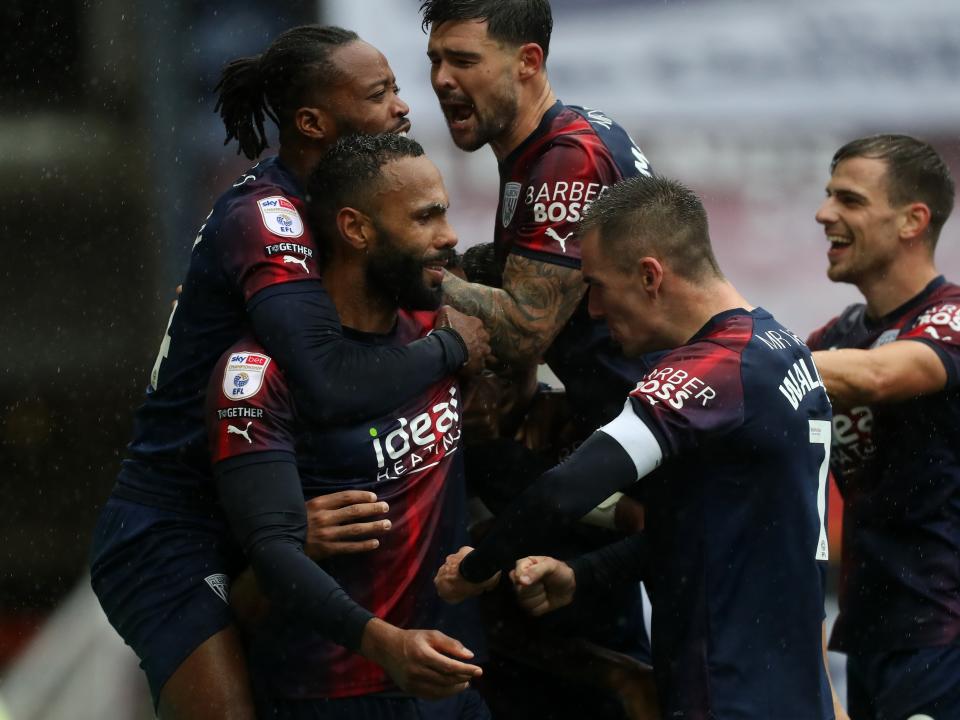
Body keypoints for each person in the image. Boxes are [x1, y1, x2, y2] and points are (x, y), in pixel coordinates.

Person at [89, 26, 489, 719]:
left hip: (263, 495)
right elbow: (329, 381)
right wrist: (453, 348)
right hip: (174, 527)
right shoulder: (267, 215)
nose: (402, 106)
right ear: (312, 121)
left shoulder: (345, 207)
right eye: (379, 93)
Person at [434, 176, 842, 720]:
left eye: (597, 286)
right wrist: (583, 576)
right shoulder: (780, 346)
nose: (594, 311)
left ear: (650, 276)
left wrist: (475, 569)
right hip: (785, 687)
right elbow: (709, 531)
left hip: (729, 692)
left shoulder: (712, 371)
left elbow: (566, 489)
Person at [420, 2, 655, 715]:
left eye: (463, 60)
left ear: (527, 63)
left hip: (638, 441)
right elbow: (530, 290)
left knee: (594, 672)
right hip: (617, 433)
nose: (441, 80)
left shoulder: (567, 157)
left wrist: (413, 277)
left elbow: (524, 328)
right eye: (434, 60)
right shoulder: (549, 145)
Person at [209, 133, 490, 718]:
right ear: (356, 229)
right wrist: (386, 645)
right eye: (425, 216)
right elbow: (273, 555)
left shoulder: (438, 328)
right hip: (331, 696)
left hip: (454, 687)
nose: (449, 235)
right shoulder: (255, 374)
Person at [806, 134, 960, 720]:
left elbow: (879, 376)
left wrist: (747, 360)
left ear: (911, 221)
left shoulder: (951, 317)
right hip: (869, 637)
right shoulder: (834, 340)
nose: (824, 214)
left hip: (944, 640)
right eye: (827, 196)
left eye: (849, 200)